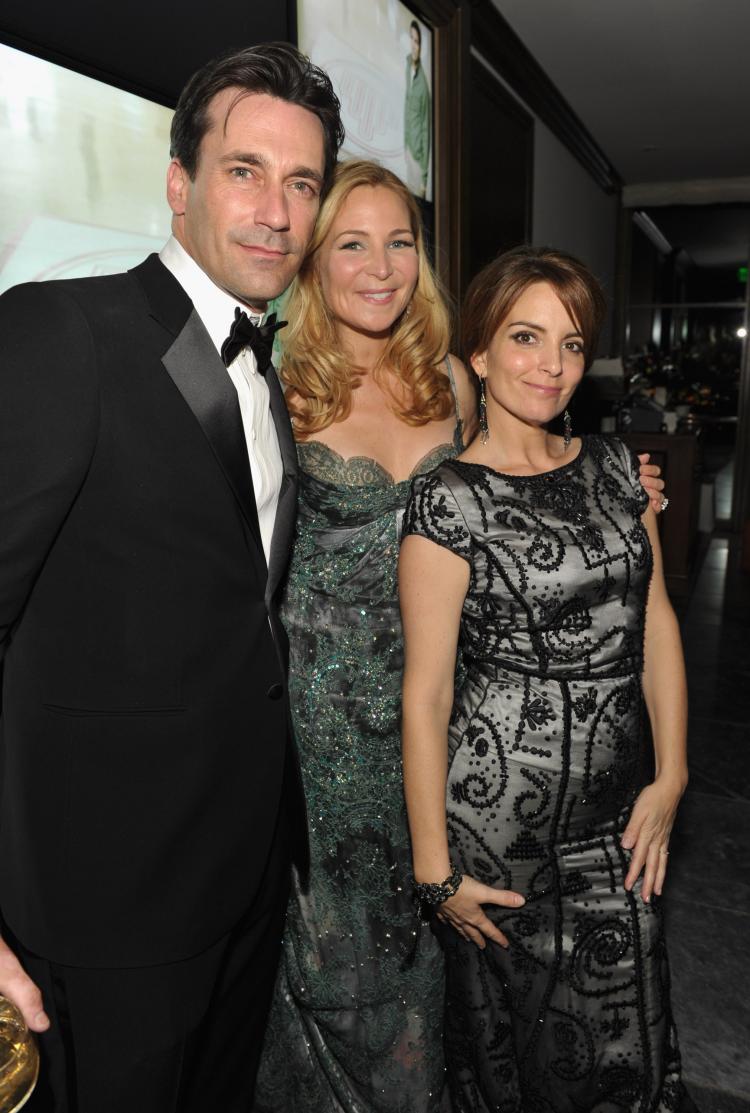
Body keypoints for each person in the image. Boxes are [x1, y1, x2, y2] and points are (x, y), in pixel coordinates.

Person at [252, 168, 667, 1112]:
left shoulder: (450, 377)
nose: (379, 265)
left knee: (444, 951)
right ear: (315, 262)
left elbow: (517, 492)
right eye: (351, 243)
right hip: (323, 726)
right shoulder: (279, 382)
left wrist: (622, 509)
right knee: (336, 955)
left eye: (399, 241)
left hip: (459, 714)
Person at [0, 43, 343, 1113]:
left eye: (302, 183)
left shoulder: (263, 370)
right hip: (101, 903)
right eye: (245, 170)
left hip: (241, 878)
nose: (276, 211)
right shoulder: (63, 331)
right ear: (180, 184)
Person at [399, 246, 692, 1112]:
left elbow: (658, 622)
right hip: (497, 830)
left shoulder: (615, 469)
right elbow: (429, 693)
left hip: (616, 817)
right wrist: (435, 870)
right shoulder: (448, 500)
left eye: (570, 344)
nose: (552, 365)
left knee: (627, 1041)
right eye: (526, 338)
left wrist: (672, 774)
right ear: (480, 352)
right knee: (517, 1057)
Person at [403, 20, 430, 199]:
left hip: (417, 157)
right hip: (406, 148)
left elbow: (426, 129)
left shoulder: (424, 88)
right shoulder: (406, 64)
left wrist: (424, 179)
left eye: (417, 41)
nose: (414, 45)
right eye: (412, 39)